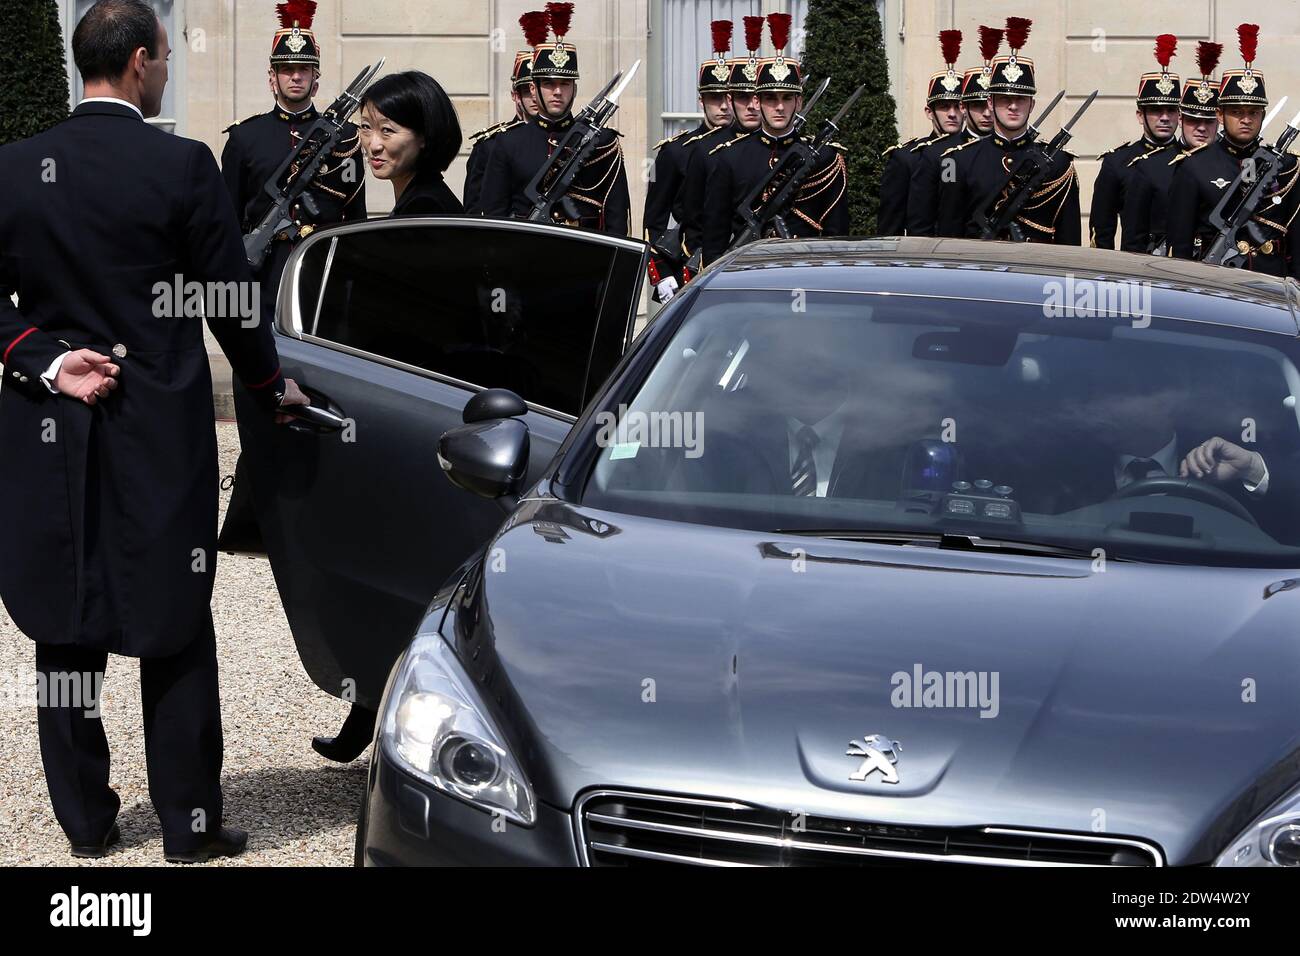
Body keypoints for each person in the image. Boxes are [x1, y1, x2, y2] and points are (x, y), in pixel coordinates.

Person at [0, 0, 307, 863]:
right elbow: (229, 298)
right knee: (175, 617)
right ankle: (188, 825)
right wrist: (268, 380)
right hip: (157, 427)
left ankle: (86, 824)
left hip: (49, 426)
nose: (166, 69)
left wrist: (46, 359)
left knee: (64, 620)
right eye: (164, 57)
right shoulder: (179, 164)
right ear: (138, 62)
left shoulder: (15, 169)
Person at [219, 0, 366, 319]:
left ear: (317, 77)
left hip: (322, 276)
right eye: (286, 69)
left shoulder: (344, 138)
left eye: (303, 69)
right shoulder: (245, 138)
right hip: (262, 279)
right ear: (272, 76)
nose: (295, 77)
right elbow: (228, 219)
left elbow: (355, 218)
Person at [700, 12, 849, 265]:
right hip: (747, 278)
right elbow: (715, 236)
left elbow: (836, 234)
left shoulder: (826, 159)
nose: (779, 107)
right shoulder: (730, 159)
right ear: (757, 102)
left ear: (799, 102)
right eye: (770, 98)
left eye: (786, 98)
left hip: (807, 273)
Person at [477, 2, 630, 235]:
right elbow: (492, 217)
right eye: (549, 83)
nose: (557, 92)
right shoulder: (508, 144)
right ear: (533, 87)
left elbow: (617, 218)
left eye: (565, 84)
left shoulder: (603, 143)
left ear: (575, 89)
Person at [1167, 24, 1300, 275]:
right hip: (1216, 282)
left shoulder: (1285, 168)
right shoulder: (1195, 166)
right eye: (1237, 112)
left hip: (1272, 283)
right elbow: (1180, 244)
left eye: (1253, 113)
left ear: (1262, 115)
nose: (1246, 119)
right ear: (1220, 114)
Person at [934, 16, 1081, 244]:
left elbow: (1069, 238)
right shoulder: (958, 160)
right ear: (990, 103)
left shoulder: (1059, 164)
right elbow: (948, 233)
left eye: (1021, 99)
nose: (1013, 106)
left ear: (1032, 105)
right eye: (1004, 99)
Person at [643, 19, 734, 303]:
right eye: (713, 98)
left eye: (727, 98)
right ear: (701, 101)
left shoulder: (748, 149)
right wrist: (661, 274)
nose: (722, 106)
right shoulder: (674, 152)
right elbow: (654, 222)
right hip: (688, 265)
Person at [677, 15, 765, 271]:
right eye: (742, 97)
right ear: (731, 97)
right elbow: (692, 219)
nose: (750, 105)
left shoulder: (778, 149)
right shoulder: (708, 150)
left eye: (756, 97)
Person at [1121, 42, 1222, 255]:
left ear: (1219, 121)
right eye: (1194, 120)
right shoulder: (1150, 166)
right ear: (1182, 119)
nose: (1201, 128)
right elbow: (1134, 238)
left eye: (1209, 121)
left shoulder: (1232, 166)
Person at [906, 25, 1000, 236]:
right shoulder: (940, 154)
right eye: (977, 106)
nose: (986, 114)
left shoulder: (1005, 152)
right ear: (964, 108)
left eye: (989, 105)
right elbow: (923, 221)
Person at [1089, 35, 1181, 249]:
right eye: (1157, 111)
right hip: (1132, 267)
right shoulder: (1118, 162)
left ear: (1179, 115)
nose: (1165, 118)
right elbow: (1102, 229)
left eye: (1171, 111)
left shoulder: (1189, 160)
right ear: (1140, 116)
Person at [878, 29, 966, 236]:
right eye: (944, 107)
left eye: (958, 106)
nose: (952, 114)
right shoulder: (907, 157)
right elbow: (891, 224)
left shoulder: (973, 154)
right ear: (929, 112)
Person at [463, 16, 542, 215]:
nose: (534, 98)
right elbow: (475, 209)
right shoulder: (490, 144)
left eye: (538, 90)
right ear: (515, 95)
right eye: (527, 91)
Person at [359, 71, 464, 217]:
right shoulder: (416, 198)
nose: (374, 146)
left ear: (424, 136)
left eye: (387, 130)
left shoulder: (426, 207)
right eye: (366, 127)